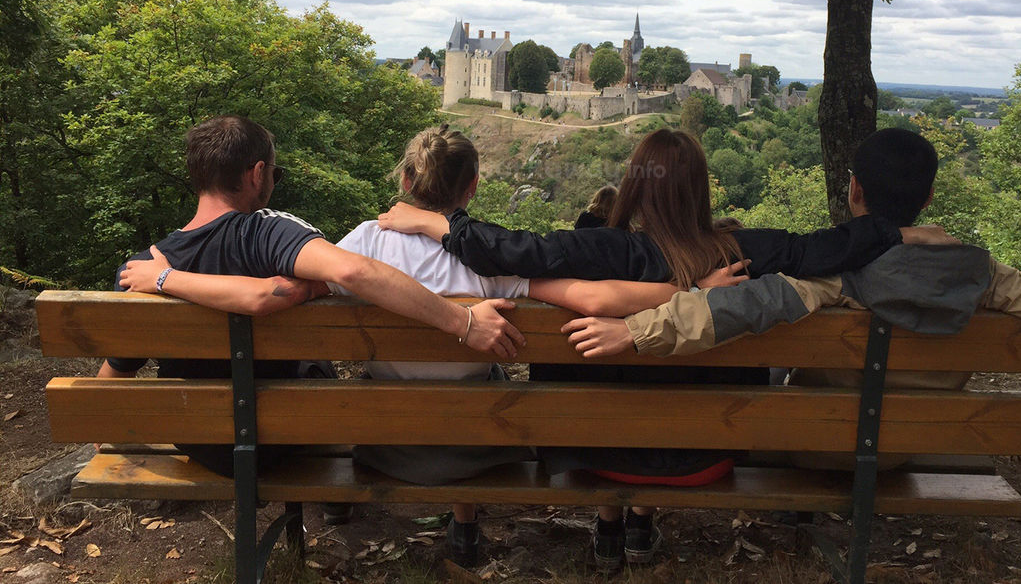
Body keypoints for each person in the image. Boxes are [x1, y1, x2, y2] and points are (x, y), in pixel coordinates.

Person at [121, 124, 713, 566]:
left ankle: (405, 517)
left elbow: (293, 288)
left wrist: (173, 280)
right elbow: (592, 296)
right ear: (474, 186)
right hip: (479, 447)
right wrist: (692, 287)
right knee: (486, 385)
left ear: (405, 182)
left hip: (388, 446)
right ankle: (467, 526)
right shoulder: (487, 265)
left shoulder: (360, 243)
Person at [376, 128, 958, 567]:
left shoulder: (599, 251)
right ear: (700, 190)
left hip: (593, 453)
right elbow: (826, 249)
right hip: (709, 457)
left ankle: (610, 524)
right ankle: (636, 525)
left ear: (633, 184)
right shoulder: (742, 252)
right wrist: (897, 231)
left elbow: (517, 251)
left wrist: (440, 227)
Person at [561, 128, 1021, 453]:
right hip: (922, 441)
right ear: (927, 200)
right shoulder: (989, 277)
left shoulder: (834, 276)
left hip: (821, 446)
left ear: (853, 192)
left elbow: (730, 309)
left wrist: (631, 331)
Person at [99, 116, 526, 489]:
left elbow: (113, 374)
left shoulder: (142, 269)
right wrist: (463, 322)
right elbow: (350, 272)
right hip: (284, 437)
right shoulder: (271, 234)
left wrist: (164, 278)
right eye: (275, 174)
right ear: (257, 173)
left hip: (201, 441)